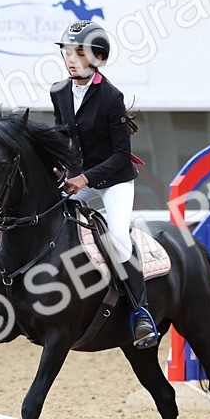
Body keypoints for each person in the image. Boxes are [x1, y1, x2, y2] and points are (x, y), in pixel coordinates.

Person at [50, 20, 158, 349]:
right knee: (42, 210)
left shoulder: (112, 97)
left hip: (113, 180)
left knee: (118, 238)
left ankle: (141, 313)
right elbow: (62, 137)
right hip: (79, 176)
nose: (70, 58)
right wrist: (59, 167)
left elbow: (122, 155)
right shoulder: (58, 91)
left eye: (78, 53)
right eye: (67, 52)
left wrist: (84, 178)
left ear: (98, 58)